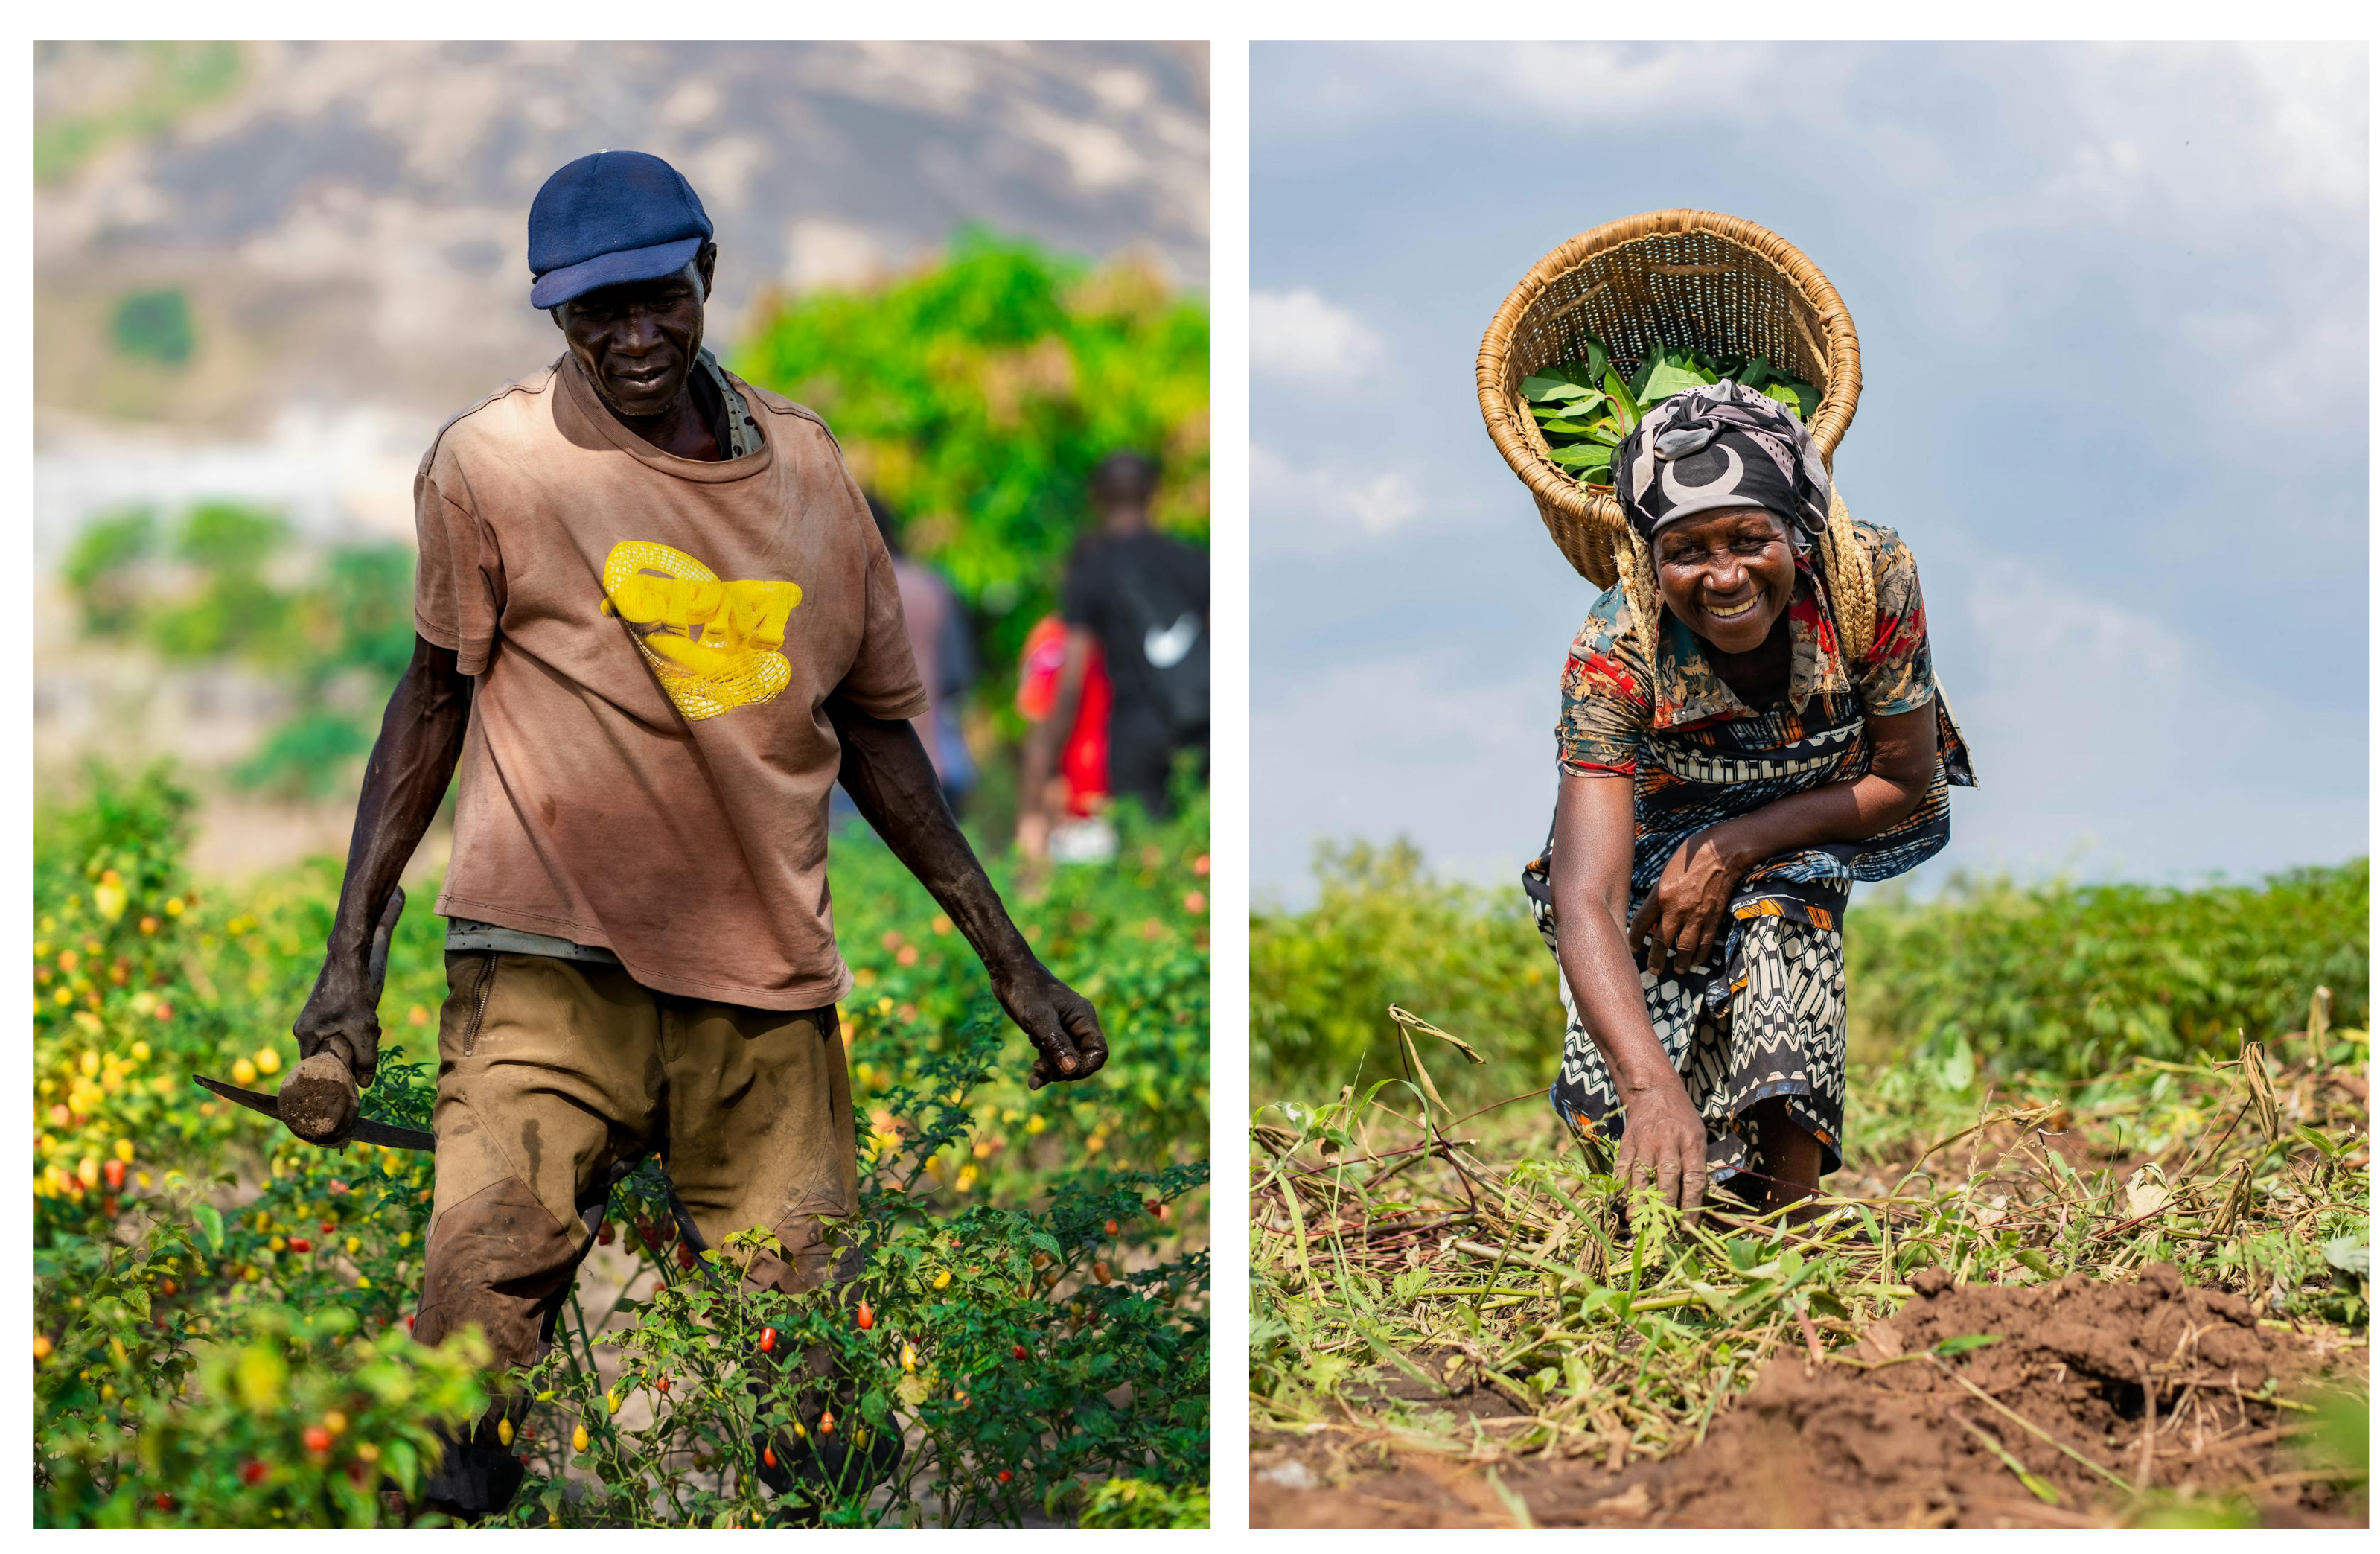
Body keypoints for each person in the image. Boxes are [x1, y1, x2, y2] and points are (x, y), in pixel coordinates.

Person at [290, 149, 1107, 1521]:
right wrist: (348, 964)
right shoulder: (491, 462)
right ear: (554, 316)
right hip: (539, 971)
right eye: (592, 314)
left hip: (764, 991)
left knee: (814, 1397)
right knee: (461, 1367)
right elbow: (428, 700)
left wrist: (1010, 962)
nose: (630, 336)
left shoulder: (808, 472)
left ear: (707, 278)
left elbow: (882, 736)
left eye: (656, 299)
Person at [1525, 380, 1973, 1225]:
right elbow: (1583, 893)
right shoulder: (1615, 647)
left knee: (1780, 909)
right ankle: (1676, 1194)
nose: (1723, 575)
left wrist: (1736, 844)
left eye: (1749, 538)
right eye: (1686, 550)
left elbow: (1901, 776)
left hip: (1813, 804)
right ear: (1650, 558)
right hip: (1653, 835)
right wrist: (1648, 1085)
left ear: (1796, 531)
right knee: (1647, 1012)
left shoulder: (1869, 580)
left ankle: (1787, 1219)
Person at [1018, 451, 1207, 859]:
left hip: (1133, 738)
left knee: (1146, 861)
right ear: (1152, 494)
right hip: (1200, 729)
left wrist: (1042, 767)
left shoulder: (1092, 572)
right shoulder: (1195, 562)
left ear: (1097, 498)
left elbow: (1069, 684)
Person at [864, 491, 977, 813]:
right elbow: (958, 676)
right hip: (935, 758)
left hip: (862, 769)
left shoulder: (846, 588)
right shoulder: (932, 586)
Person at [1017, 612, 1115, 862]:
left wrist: (1031, 812)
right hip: (1079, 807)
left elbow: (1039, 731)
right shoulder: (1055, 638)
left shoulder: (1053, 636)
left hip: (1082, 806)